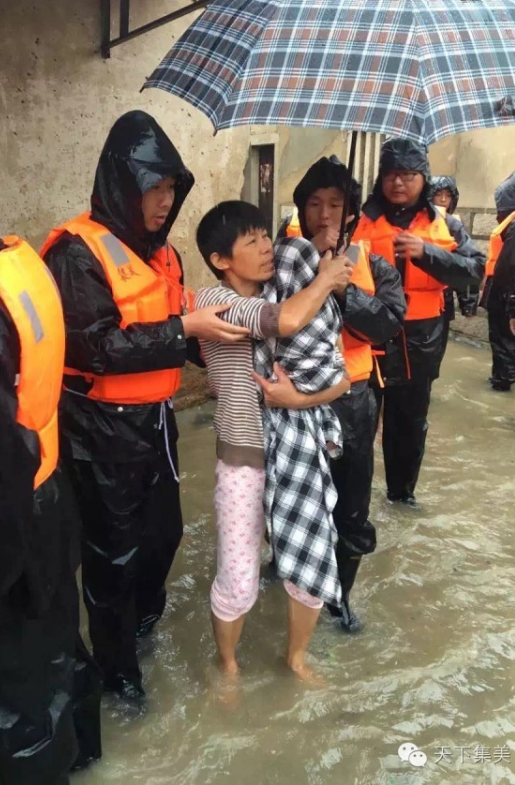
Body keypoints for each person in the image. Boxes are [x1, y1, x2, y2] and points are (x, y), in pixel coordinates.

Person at [41, 111, 248, 708]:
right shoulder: (76, 254)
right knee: (112, 554)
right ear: (121, 188)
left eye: (170, 190)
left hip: (155, 423)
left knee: (164, 536)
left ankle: (140, 627)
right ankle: (117, 675)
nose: (164, 202)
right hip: (97, 431)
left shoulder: (164, 257)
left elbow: (179, 336)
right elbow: (96, 347)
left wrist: (233, 352)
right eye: (153, 190)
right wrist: (186, 325)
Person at [0, 107, 102, 785]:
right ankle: (85, 754)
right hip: (46, 502)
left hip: (0, 526)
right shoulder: (8, 259)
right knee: (57, 656)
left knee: (15, 704)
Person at [195, 201, 352, 679]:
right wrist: (325, 280)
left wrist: (294, 400)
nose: (267, 247)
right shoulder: (212, 303)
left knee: (309, 563)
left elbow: (341, 380)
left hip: (298, 449)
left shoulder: (291, 291)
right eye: (252, 241)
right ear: (222, 260)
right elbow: (280, 322)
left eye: (267, 236)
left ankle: (297, 658)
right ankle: (227, 666)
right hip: (245, 461)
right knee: (239, 579)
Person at [285, 155, 406, 631]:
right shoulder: (280, 261)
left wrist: (339, 289)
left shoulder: (373, 265)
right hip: (292, 399)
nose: (325, 214)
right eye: (314, 203)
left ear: (352, 212)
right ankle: (289, 566)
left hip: (352, 398)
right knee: (291, 494)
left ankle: (340, 596)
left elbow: (387, 323)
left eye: (336, 203)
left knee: (351, 503)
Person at [352, 138, 484, 507]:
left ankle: (400, 495)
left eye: (408, 175)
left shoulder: (446, 226)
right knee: (357, 423)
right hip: (365, 338)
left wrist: (427, 253)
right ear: (381, 178)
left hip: (420, 340)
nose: (399, 182)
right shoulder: (357, 221)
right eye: (392, 174)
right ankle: (353, 500)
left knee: (408, 424)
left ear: (423, 179)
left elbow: (474, 271)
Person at [485, 170, 515, 421]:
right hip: (504, 290)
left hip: (507, 292)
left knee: (505, 338)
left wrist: (508, 298)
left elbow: (513, 264)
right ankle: (502, 376)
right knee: (501, 337)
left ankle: (503, 380)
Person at [429, 175, 478, 364]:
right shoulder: (418, 222)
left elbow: (466, 264)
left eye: (447, 196)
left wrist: (468, 302)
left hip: (444, 298)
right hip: (413, 300)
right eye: (438, 195)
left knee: (436, 351)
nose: (442, 200)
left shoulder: (455, 227)